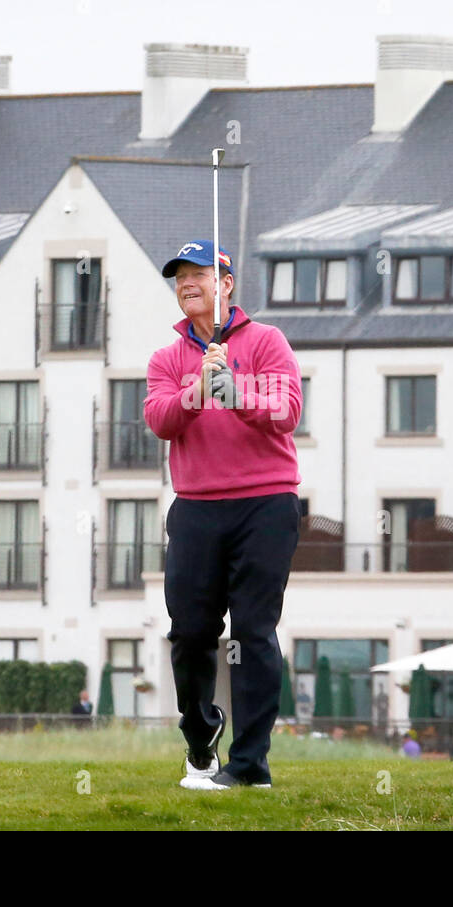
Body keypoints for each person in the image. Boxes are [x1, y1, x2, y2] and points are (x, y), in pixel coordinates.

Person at [145, 240, 303, 791]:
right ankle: (200, 738)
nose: (187, 283)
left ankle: (249, 765)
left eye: (199, 274)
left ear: (227, 283)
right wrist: (196, 393)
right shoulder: (167, 358)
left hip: (265, 503)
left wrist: (235, 393)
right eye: (180, 277)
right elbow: (160, 421)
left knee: (253, 633)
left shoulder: (266, 342)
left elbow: (286, 413)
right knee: (190, 633)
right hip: (197, 509)